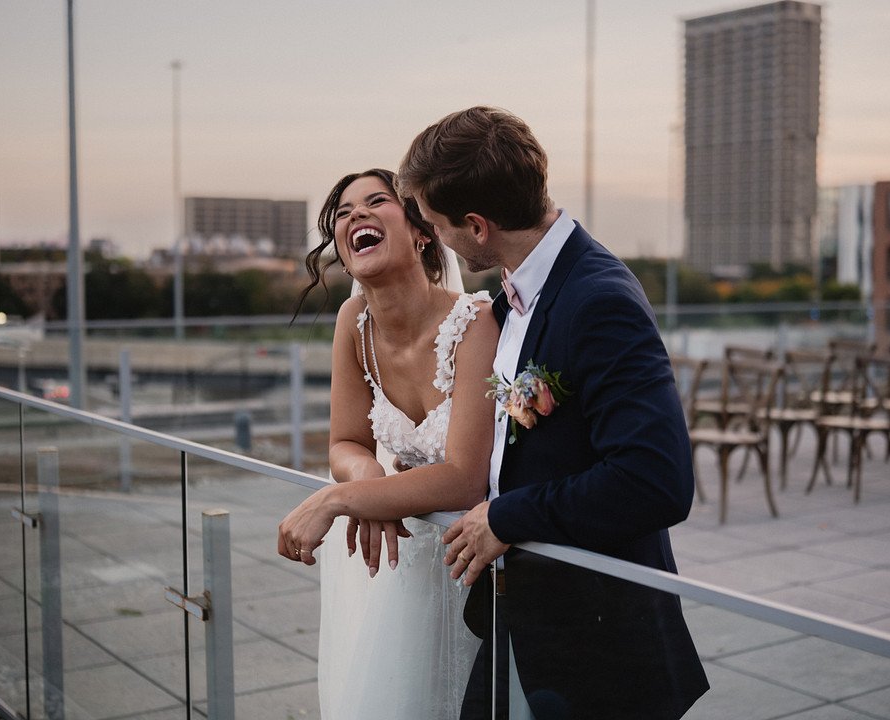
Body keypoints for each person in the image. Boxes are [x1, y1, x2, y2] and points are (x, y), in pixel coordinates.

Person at [396, 106, 710, 719]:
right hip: (529, 614)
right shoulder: (517, 295)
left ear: (478, 227)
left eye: (435, 224)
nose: (435, 239)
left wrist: (506, 516)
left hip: (600, 643)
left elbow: (657, 481)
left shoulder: (598, 299)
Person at [277, 168, 500, 718]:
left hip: (482, 565)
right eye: (344, 213)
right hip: (404, 567)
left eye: (376, 201)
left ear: (422, 231)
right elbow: (345, 442)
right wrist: (368, 478)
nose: (355, 216)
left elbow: (464, 476)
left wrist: (338, 499)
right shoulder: (353, 321)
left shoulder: (477, 323)